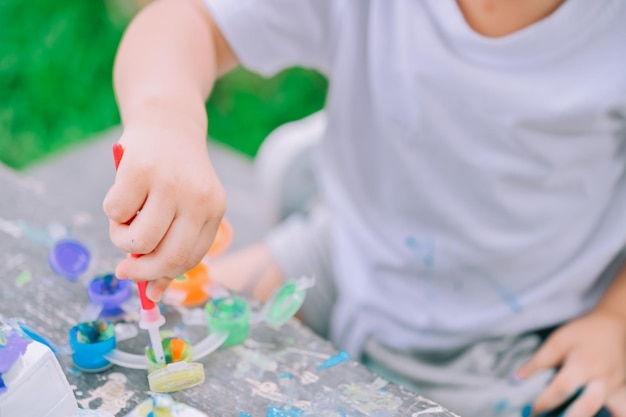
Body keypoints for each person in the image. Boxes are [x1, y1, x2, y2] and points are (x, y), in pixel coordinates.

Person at [103, 0, 626, 416]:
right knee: (141, 329)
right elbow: (184, 21)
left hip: (528, 328)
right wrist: (167, 121)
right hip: (349, 255)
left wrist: (615, 317)